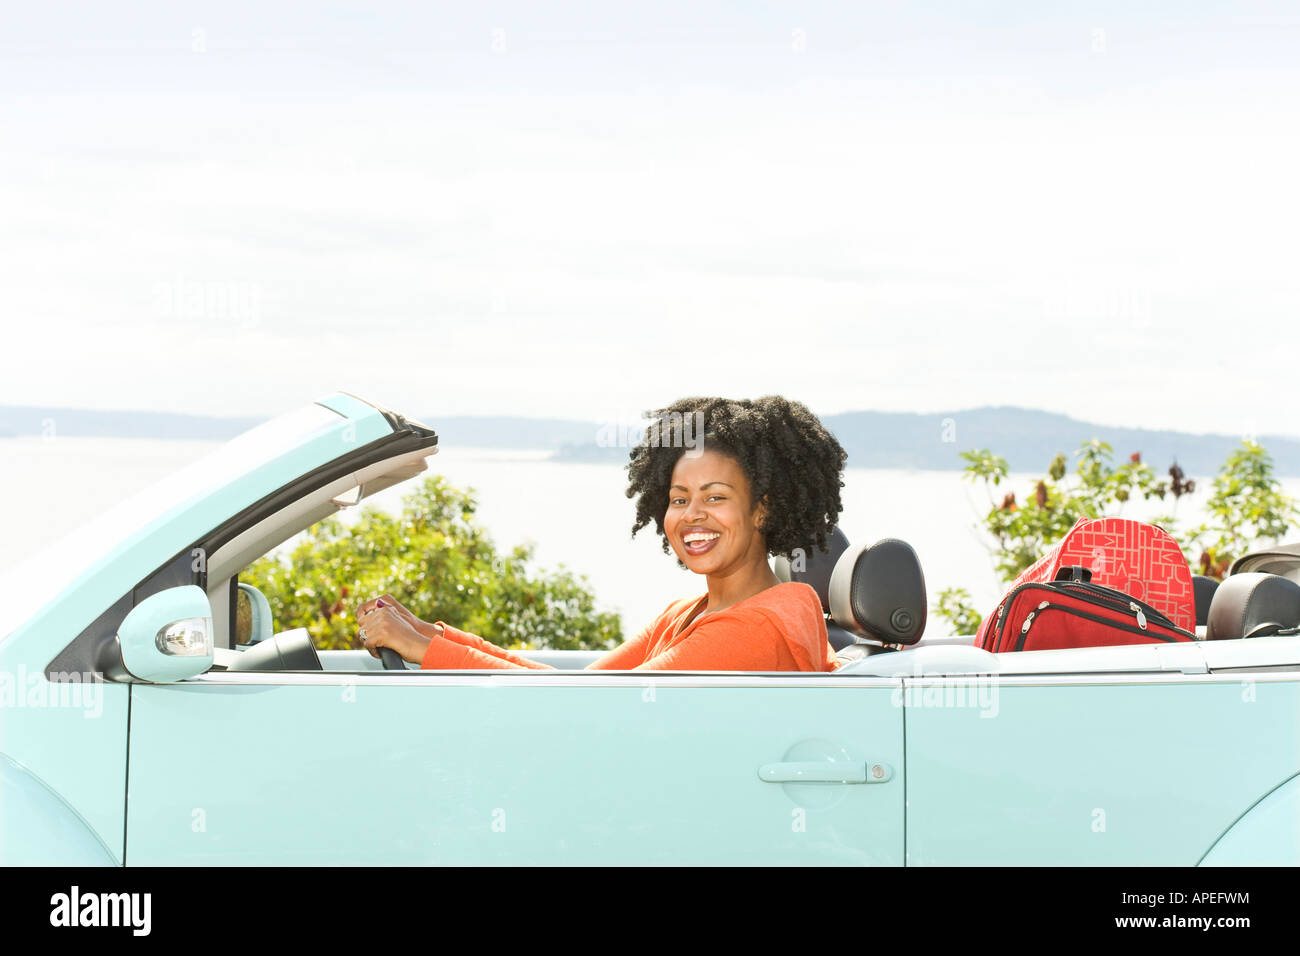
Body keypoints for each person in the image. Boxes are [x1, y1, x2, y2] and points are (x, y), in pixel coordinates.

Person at [354, 396, 847, 672]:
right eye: (679, 499)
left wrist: (428, 650)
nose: (692, 515)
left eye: (716, 497)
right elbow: (578, 689)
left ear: (762, 511)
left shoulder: (755, 628)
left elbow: (591, 709)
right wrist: (429, 635)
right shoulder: (689, 612)